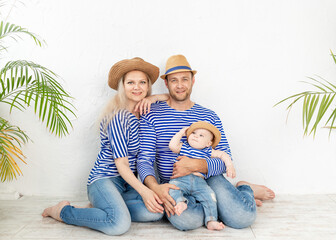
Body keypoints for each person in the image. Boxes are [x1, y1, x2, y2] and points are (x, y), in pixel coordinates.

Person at [137, 54, 275, 231]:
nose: (180, 85)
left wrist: (196, 165)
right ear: (167, 84)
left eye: (185, 79)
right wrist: (155, 187)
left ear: (193, 81)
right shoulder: (151, 114)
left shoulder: (208, 116)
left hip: (209, 179)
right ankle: (225, 203)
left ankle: (244, 188)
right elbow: (144, 160)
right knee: (187, 221)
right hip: (174, 184)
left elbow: (226, 159)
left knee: (242, 218)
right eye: (174, 80)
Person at [42, 57, 168, 235]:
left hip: (127, 185)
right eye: (130, 82)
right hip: (104, 180)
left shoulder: (145, 115)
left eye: (142, 83)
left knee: (157, 212)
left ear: (148, 86)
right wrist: (145, 191)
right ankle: (62, 212)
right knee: (118, 224)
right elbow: (122, 164)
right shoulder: (118, 117)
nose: (137, 87)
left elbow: (172, 98)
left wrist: (155, 97)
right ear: (122, 86)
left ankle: (102, 208)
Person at [168, 121, 235, 230]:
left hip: (199, 182)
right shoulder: (184, 146)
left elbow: (223, 155)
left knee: (210, 196)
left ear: (208, 143)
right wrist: (181, 133)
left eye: (201, 135)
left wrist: (229, 166)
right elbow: (172, 146)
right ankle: (180, 202)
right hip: (181, 180)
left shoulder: (208, 151)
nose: (195, 136)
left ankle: (211, 220)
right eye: (193, 132)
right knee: (173, 188)